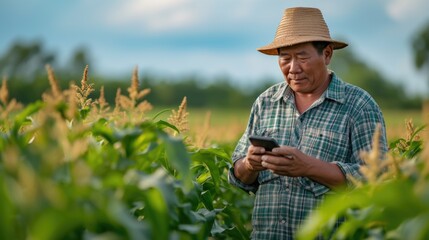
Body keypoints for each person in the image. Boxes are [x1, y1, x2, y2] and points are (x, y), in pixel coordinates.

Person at [228, 7, 388, 239]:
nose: (293, 68)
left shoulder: (358, 105)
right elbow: (237, 177)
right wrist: (249, 165)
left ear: (327, 54)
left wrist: (308, 167)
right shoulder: (266, 102)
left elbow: (378, 180)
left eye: (302, 57)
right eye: (285, 58)